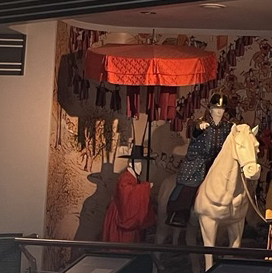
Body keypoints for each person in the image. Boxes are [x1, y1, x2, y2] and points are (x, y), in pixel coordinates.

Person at [167, 93, 233, 228]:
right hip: (199, 161)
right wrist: (198, 128)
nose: (219, 111)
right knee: (190, 182)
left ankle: (235, 213)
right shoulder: (201, 123)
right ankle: (180, 213)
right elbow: (195, 131)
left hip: (217, 161)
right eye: (216, 108)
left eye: (222, 108)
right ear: (210, 108)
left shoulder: (227, 127)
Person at [100, 145, 156, 243]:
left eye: (141, 164)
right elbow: (126, 192)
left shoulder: (133, 177)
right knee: (122, 243)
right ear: (131, 163)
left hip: (126, 213)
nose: (141, 167)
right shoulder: (125, 177)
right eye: (138, 163)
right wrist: (145, 187)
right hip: (120, 214)